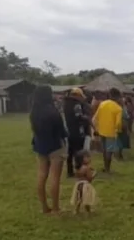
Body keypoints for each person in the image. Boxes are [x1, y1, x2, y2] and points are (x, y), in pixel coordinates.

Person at [30, 85, 68, 214]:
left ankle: (44, 207)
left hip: (40, 146)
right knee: (55, 177)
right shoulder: (53, 111)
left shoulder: (33, 112)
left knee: (41, 175)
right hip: (55, 146)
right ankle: (56, 208)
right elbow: (62, 131)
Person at [92, 88, 123, 172]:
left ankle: (105, 166)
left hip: (101, 131)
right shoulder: (118, 108)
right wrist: (118, 131)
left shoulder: (102, 104)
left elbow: (95, 117)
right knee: (109, 150)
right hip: (111, 133)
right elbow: (118, 124)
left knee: (104, 150)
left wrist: (96, 128)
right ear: (117, 97)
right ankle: (107, 168)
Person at [63, 88, 90, 177]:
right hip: (78, 131)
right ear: (77, 95)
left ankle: (70, 171)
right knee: (79, 152)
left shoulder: (66, 103)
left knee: (70, 152)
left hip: (69, 131)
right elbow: (79, 117)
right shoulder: (77, 104)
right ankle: (79, 169)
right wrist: (86, 117)